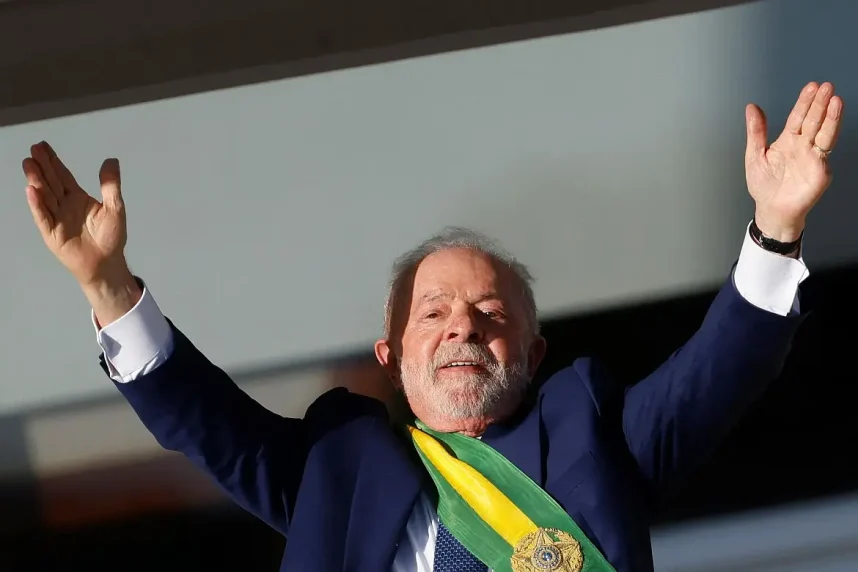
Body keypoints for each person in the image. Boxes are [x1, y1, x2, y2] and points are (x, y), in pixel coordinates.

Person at [21, 81, 842, 572]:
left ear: (533, 351)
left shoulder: (596, 437)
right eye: (435, 312)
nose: (463, 328)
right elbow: (201, 419)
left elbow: (721, 368)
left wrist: (774, 227)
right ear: (391, 354)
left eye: (490, 315)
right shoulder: (335, 470)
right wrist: (105, 281)